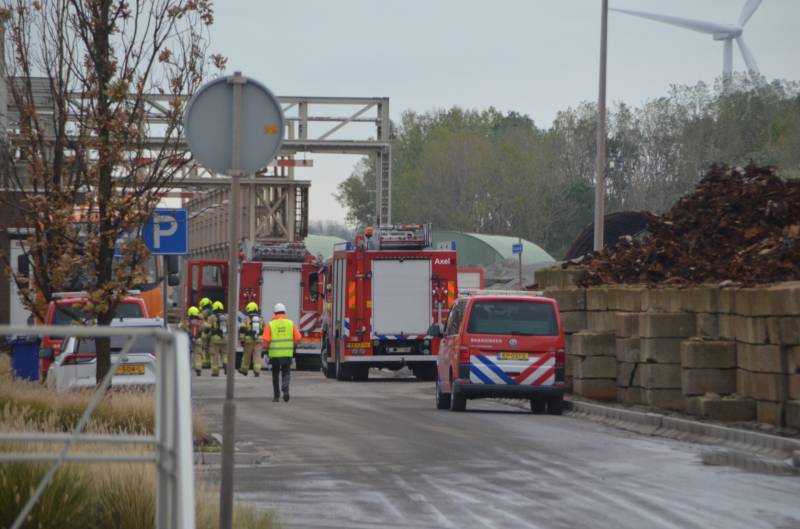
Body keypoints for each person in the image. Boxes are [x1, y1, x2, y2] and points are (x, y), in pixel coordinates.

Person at [262, 302, 301, 402]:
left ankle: (276, 396)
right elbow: (298, 338)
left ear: (274, 313)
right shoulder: (290, 323)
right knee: (286, 372)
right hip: (287, 354)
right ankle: (285, 387)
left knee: (275, 375)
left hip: (274, 355)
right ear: (284, 312)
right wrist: (294, 345)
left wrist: (265, 349)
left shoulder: (270, 324)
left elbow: (266, 341)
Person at [238, 302, 263, 376]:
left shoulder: (246, 318)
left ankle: (244, 370)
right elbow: (264, 329)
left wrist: (242, 340)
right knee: (257, 356)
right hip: (259, 339)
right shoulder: (261, 318)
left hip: (249, 340)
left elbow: (242, 329)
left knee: (246, 356)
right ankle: (257, 370)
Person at [179, 306, 205, 375]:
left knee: (188, 354)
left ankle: (187, 368)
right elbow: (203, 328)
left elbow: (181, 327)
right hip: (198, 339)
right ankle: (198, 368)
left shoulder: (186, 320)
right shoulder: (200, 321)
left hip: (188, 340)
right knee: (198, 355)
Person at [206, 300, 228, 376]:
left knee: (214, 356)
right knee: (224, 354)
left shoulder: (211, 317)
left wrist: (207, 335)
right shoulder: (226, 316)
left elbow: (208, 327)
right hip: (225, 339)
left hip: (215, 340)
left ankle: (215, 372)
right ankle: (225, 363)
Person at [198, 297, 213, 369]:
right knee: (210, 348)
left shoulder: (205, 311)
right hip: (211, 332)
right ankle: (210, 362)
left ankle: (205, 363)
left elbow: (199, 317)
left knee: (204, 348)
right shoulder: (212, 310)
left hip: (205, 332)